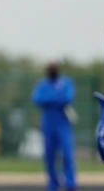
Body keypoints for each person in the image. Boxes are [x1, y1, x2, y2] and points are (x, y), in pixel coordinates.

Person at [32, 62, 77, 191]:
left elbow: (67, 97)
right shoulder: (42, 84)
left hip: (63, 124)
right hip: (48, 125)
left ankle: (70, 183)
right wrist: (57, 98)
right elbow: (37, 99)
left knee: (67, 155)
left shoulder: (66, 82)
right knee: (49, 156)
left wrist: (50, 99)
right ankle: (53, 184)